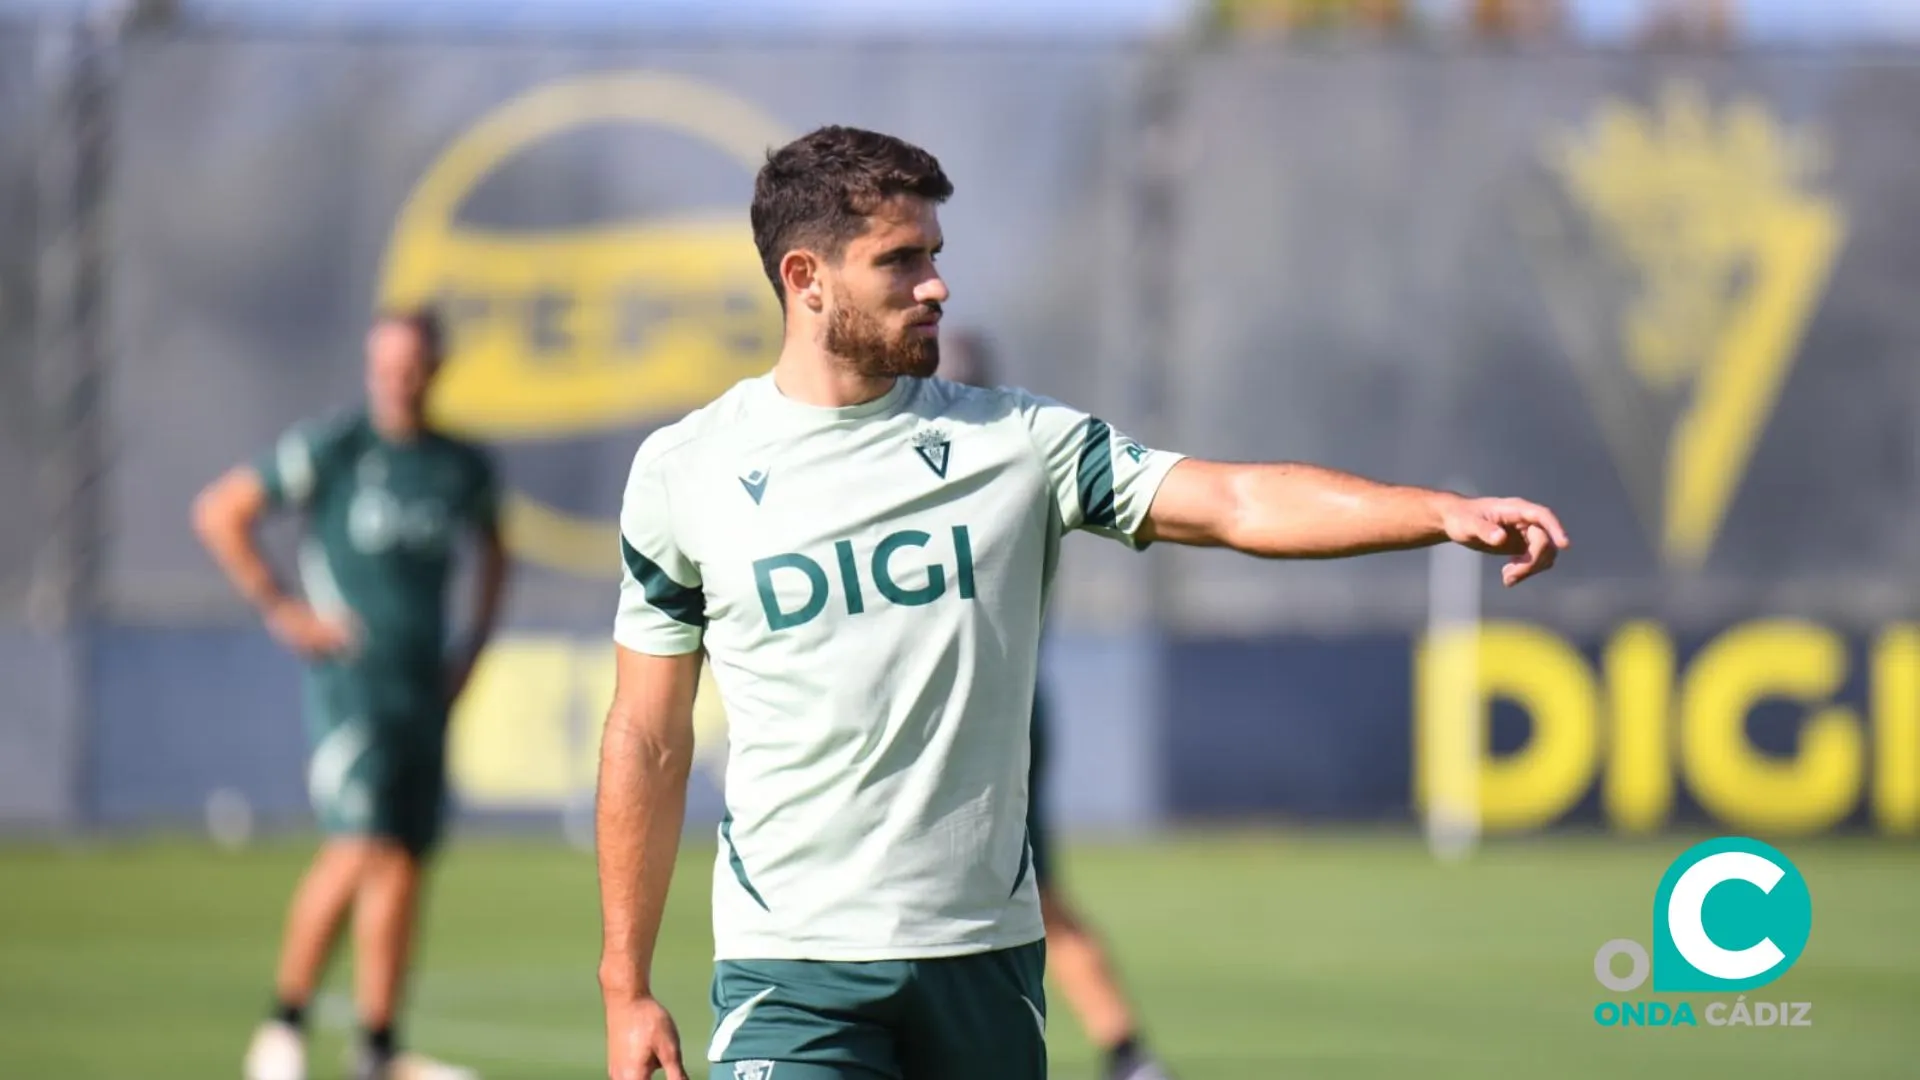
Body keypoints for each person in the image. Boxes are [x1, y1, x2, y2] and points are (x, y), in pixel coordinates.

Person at [596, 126, 1568, 1080]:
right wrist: (625, 984)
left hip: (984, 960)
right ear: (805, 278)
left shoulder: (1018, 441)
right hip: (791, 968)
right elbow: (647, 736)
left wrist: (1437, 513)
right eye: (901, 261)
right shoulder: (685, 472)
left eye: (936, 254)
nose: (936, 286)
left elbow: (1234, 502)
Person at [193, 307, 508, 1080]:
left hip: (423, 688)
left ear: (434, 368)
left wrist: (473, 646)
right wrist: (283, 609)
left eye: (412, 365)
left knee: (403, 859)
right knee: (357, 845)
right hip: (353, 686)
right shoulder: (336, 449)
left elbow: (496, 552)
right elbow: (222, 511)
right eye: (386, 365)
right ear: (371, 367)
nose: (398, 380)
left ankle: (377, 1049)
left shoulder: (458, 466)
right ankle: (282, 1025)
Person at [939, 329, 1175, 1080]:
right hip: (1007, 707)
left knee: (1019, 887)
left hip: (994, 711)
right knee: (1023, 887)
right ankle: (1126, 1051)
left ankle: (1125, 1051)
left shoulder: (1002, 464)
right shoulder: (1014, 456)